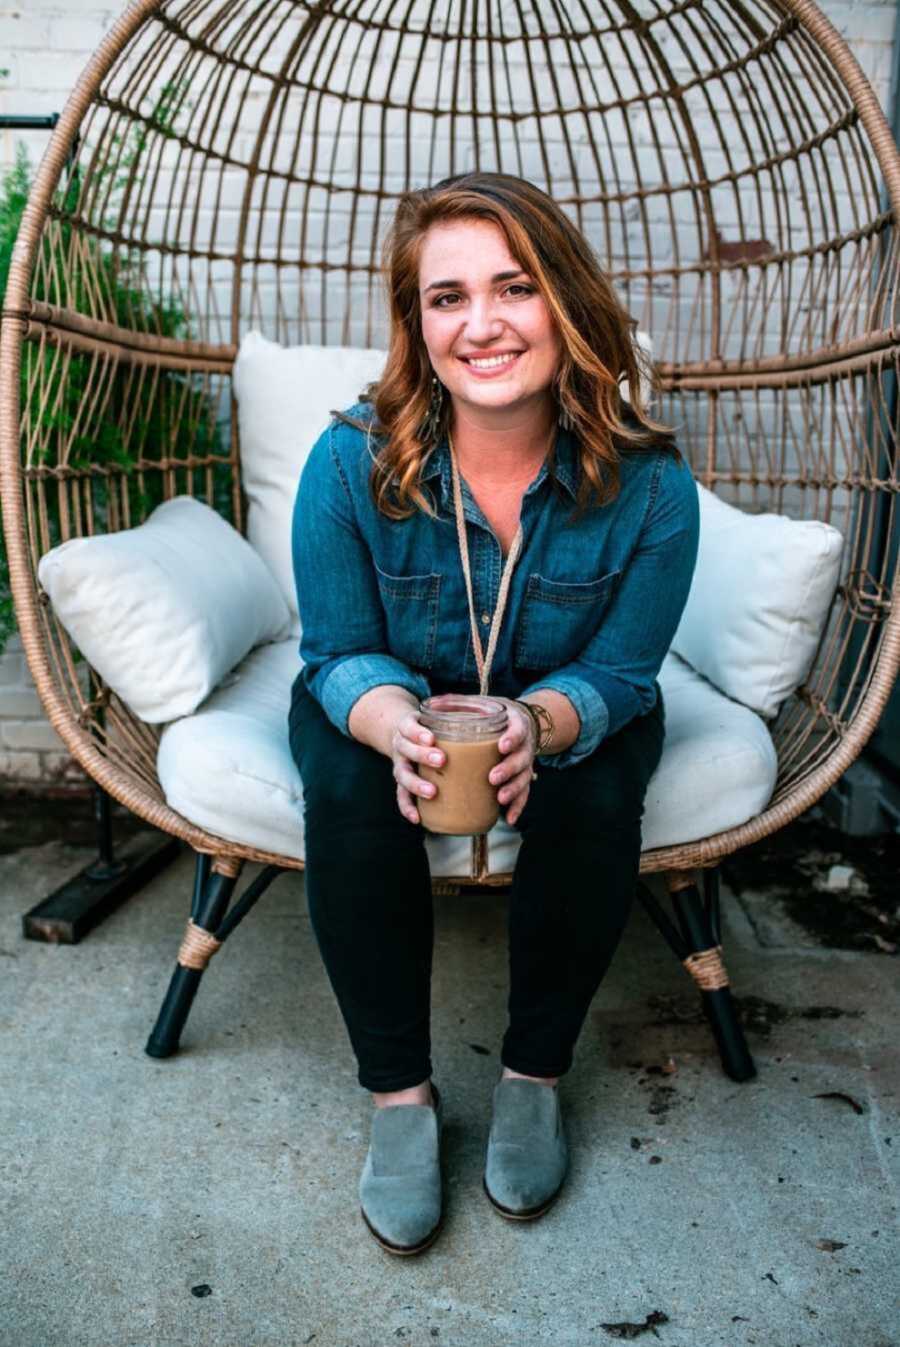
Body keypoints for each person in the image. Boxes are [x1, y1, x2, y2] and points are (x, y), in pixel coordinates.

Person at [288, 171, 699, 1255]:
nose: (481, 325)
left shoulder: (653, 484)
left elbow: (623, 670)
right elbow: (333, 651)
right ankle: (401, 1102)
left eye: (513, 288)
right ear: (417, 327)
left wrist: (546, 727)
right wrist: (394, 728)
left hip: (567, 711)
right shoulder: (349, 459)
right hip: (394, 700)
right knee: (345, 785)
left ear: (564, 302)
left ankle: (533, 1077)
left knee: (601, 786)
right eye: (446, 297)